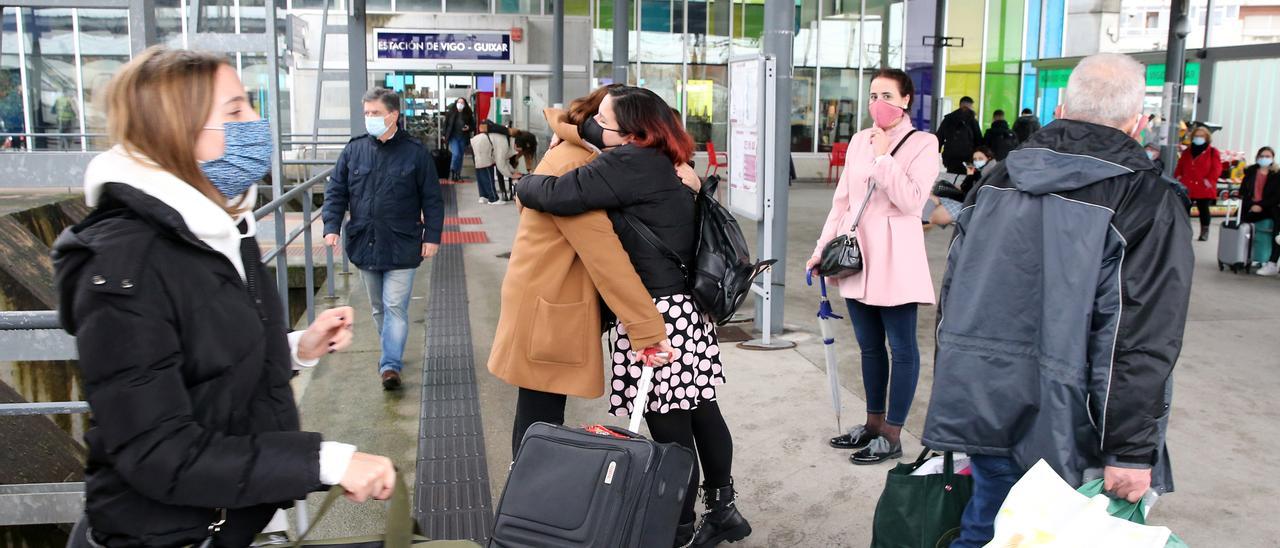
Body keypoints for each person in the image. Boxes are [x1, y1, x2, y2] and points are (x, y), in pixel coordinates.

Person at [52, 47, 396, 548]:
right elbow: (158, 450)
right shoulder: (125, 265)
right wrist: (328, 462)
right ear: (178, 131)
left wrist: (298, 346)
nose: (256, 123)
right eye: (235, 111)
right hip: (172, 534)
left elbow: (207, 353)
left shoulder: (219, 227)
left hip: (237, 518)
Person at [920, 53, 1193, 548]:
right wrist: (1131, 451)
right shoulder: (1146, 199)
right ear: (1138, 122)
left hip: (985, 401)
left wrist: (960, 393)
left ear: (1062, 109)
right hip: (1076, 424)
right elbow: (1138, 337)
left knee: (988, 526)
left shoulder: (998, 179)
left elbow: (955, 295)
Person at [516, 86, 751, 548]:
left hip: (657, 316)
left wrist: (523, 183)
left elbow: (560, 193)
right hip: (687, 310)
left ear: (632, 132)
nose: (594, 125)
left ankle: (679, 526)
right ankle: (723, 510)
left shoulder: (625, 163)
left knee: (670, 430)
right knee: (701, 411)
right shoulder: (664, 158)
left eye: (603, 120)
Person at [808, 68, 939, 466]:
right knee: (868, 347)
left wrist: (885, 156)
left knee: (901, 348)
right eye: (872, 95)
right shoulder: (859, 141)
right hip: (858, 256)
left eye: (886, 94)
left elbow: (913, 201)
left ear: (905, 100)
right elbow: (843, 202)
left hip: (896, 258)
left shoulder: (923, 143)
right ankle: (871, 423)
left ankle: (893, 433)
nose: (876, 103)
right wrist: (820, 249)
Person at [323, 88, 445, 391]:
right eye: (366, 113)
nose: (369, 119)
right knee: (378, 308)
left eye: (375, 113)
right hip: (365, 242)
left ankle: (390, 365)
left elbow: (432, 198)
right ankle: (390, 348)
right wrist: (331, 226)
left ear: (393, 115)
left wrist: (432, 236)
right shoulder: (354, 151)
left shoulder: (416, 153)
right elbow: (336, 191)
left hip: (403, 243)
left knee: (394, 307)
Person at [1174, 125, 1222, 241]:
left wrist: (1209, 181)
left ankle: (1204, 232)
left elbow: (1217, 168)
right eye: (1196, 135)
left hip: (1203, 187)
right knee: (1184, 210)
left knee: (1204, 210)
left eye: (1201, 136)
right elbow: (1180, 166)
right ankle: (1185, 231)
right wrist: (1178, 177)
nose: (1198, 138)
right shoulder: (1187, 151)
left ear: (1206, 137)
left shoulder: (1212, 152)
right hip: (1187, 185)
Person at [929, 146, 995, 228]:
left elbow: (971, 193)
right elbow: (966, 189)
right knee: (934, 197)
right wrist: (970, 175)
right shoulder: (980, 172)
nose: (977, 161)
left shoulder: (989, 174)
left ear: (989, 158)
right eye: (975, 159)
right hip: (968, 201)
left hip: (974, 207)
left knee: (935, 204)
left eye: (980, 158)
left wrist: (970, 176)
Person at [1242, 147, 1280, 275]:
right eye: (1262, 155)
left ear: (1272, 158)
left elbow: (1276, 196)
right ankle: (1242, 256)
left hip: (1269, 208)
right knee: (1240, 226)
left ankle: (1272, 263)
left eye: (1268, 156)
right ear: (1257, 157)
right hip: (1251, 207)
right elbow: (1243, 192)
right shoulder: (1250, 172)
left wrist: (1261, 205)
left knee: (1277, 230)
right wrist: (1252, 205)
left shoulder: (1277, 174)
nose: (1264, 158)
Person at [936, 96, 984, 175]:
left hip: (951, 158)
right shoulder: (972, 120)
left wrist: (935, 153)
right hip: (969, 159)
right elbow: (979, 140)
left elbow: (939, 137)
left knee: (952, 178)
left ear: (960, 105)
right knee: (969, 178)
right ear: (969, 106)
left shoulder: (948, 119)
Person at [470, 119, 510, 205]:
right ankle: (493, 198)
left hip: (474, 142)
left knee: (480, 171)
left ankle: (483, 196)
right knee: (488, 171)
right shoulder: (501, 137)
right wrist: (510, 174)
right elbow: (500, 161)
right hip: (482, 146)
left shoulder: (487, 134)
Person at [443, 97, 475, 181]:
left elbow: (473, 125)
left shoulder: (468, 114)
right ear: (456, 103)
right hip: (453, 137)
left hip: (463, 137)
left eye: (462, 103)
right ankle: (452, 171)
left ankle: (457, 174)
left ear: (465, 105)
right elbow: (445, 124)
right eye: (458, 102)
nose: (460, 104)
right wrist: (444, 135)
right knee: (456, 154)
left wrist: (468, 127)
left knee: (460, 156)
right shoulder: (451, 113)